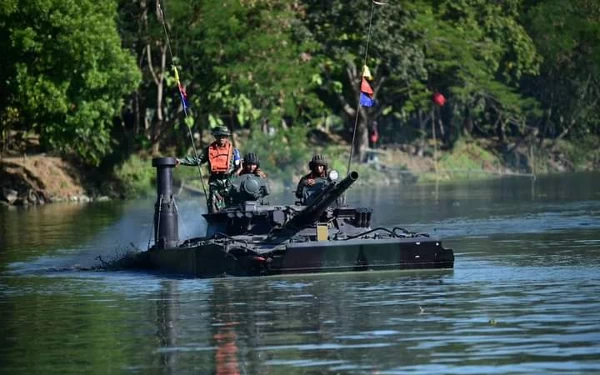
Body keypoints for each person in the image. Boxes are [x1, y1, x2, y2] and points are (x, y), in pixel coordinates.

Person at [177, 126, 241, 213]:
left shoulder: (234, 151)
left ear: (227, 137)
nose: (221, 138)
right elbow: (197, 161)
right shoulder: (209, 150)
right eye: (219, 136)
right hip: (215, 181)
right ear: (215, 136)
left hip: (230, 181)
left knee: (234, 207)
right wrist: (181, 161)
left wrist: (238, 175)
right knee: (213, 208)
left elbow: (239, 166)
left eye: (224, 136)